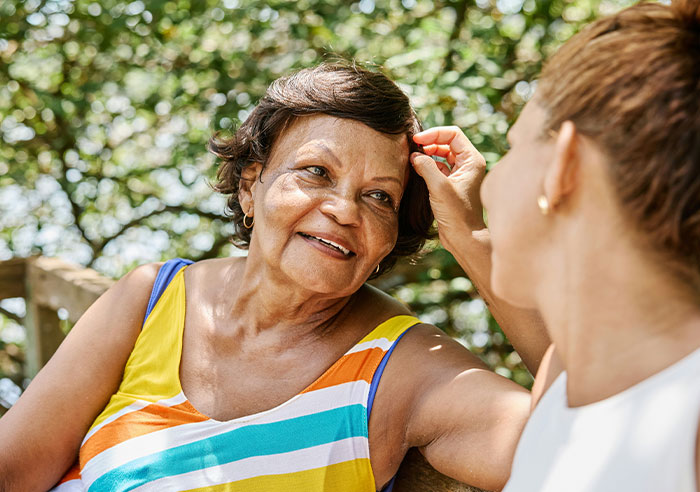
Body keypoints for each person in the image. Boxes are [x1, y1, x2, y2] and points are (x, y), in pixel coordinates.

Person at [0, 63, 549, 492]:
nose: (344, 209)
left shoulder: (403, 366)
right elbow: (13, 471)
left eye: (379, 196)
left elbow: (586, 447)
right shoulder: (152, 299)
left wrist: (472, 239)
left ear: (391, 236)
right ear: (250, 186)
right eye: (316, 172)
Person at [410, 0, 700, 490]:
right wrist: (466, 232)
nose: (491, 178)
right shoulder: (566, 377)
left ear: (565, 164)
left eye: (515, 147)